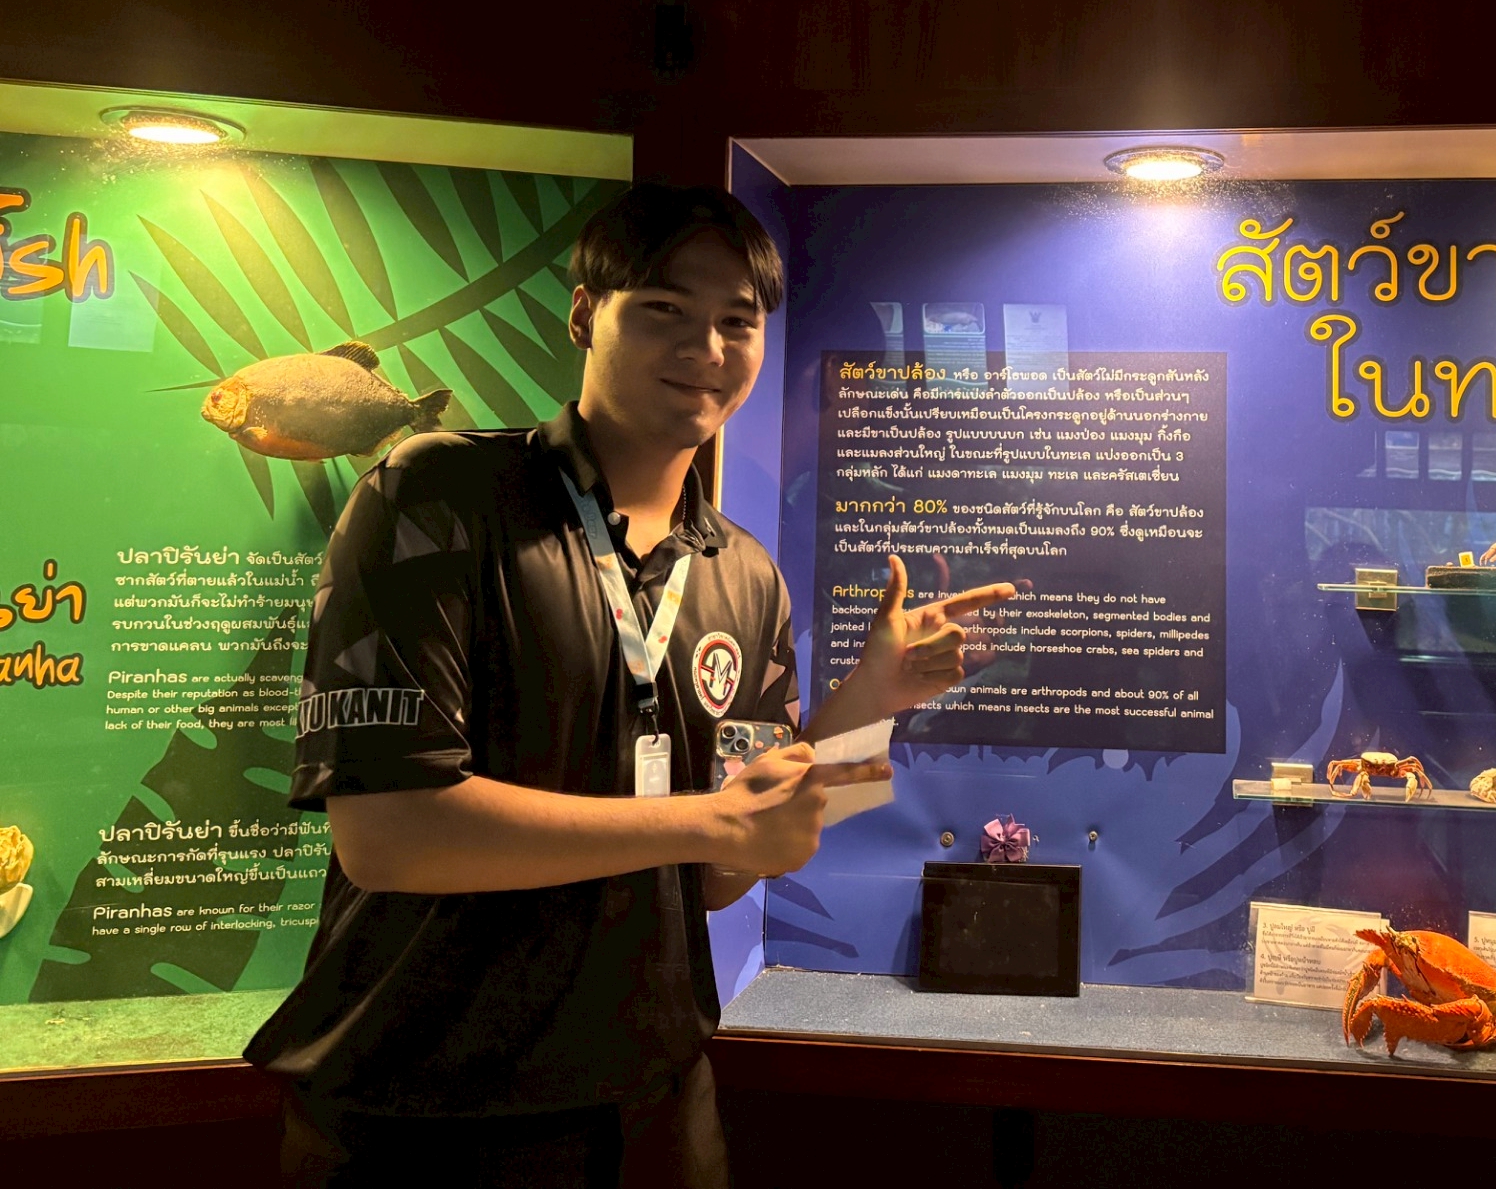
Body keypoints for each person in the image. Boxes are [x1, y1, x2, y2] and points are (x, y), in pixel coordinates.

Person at [245, 183, 1013, 1187]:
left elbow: (730, 868)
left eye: (737, 320)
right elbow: (389, 836)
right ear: (582, 315)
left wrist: (873, 703)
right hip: (421, 1110)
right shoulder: (437, 495)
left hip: (658, 1101)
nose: (706, 346)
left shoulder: (743, 572)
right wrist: (709, 823)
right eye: (663, 308)